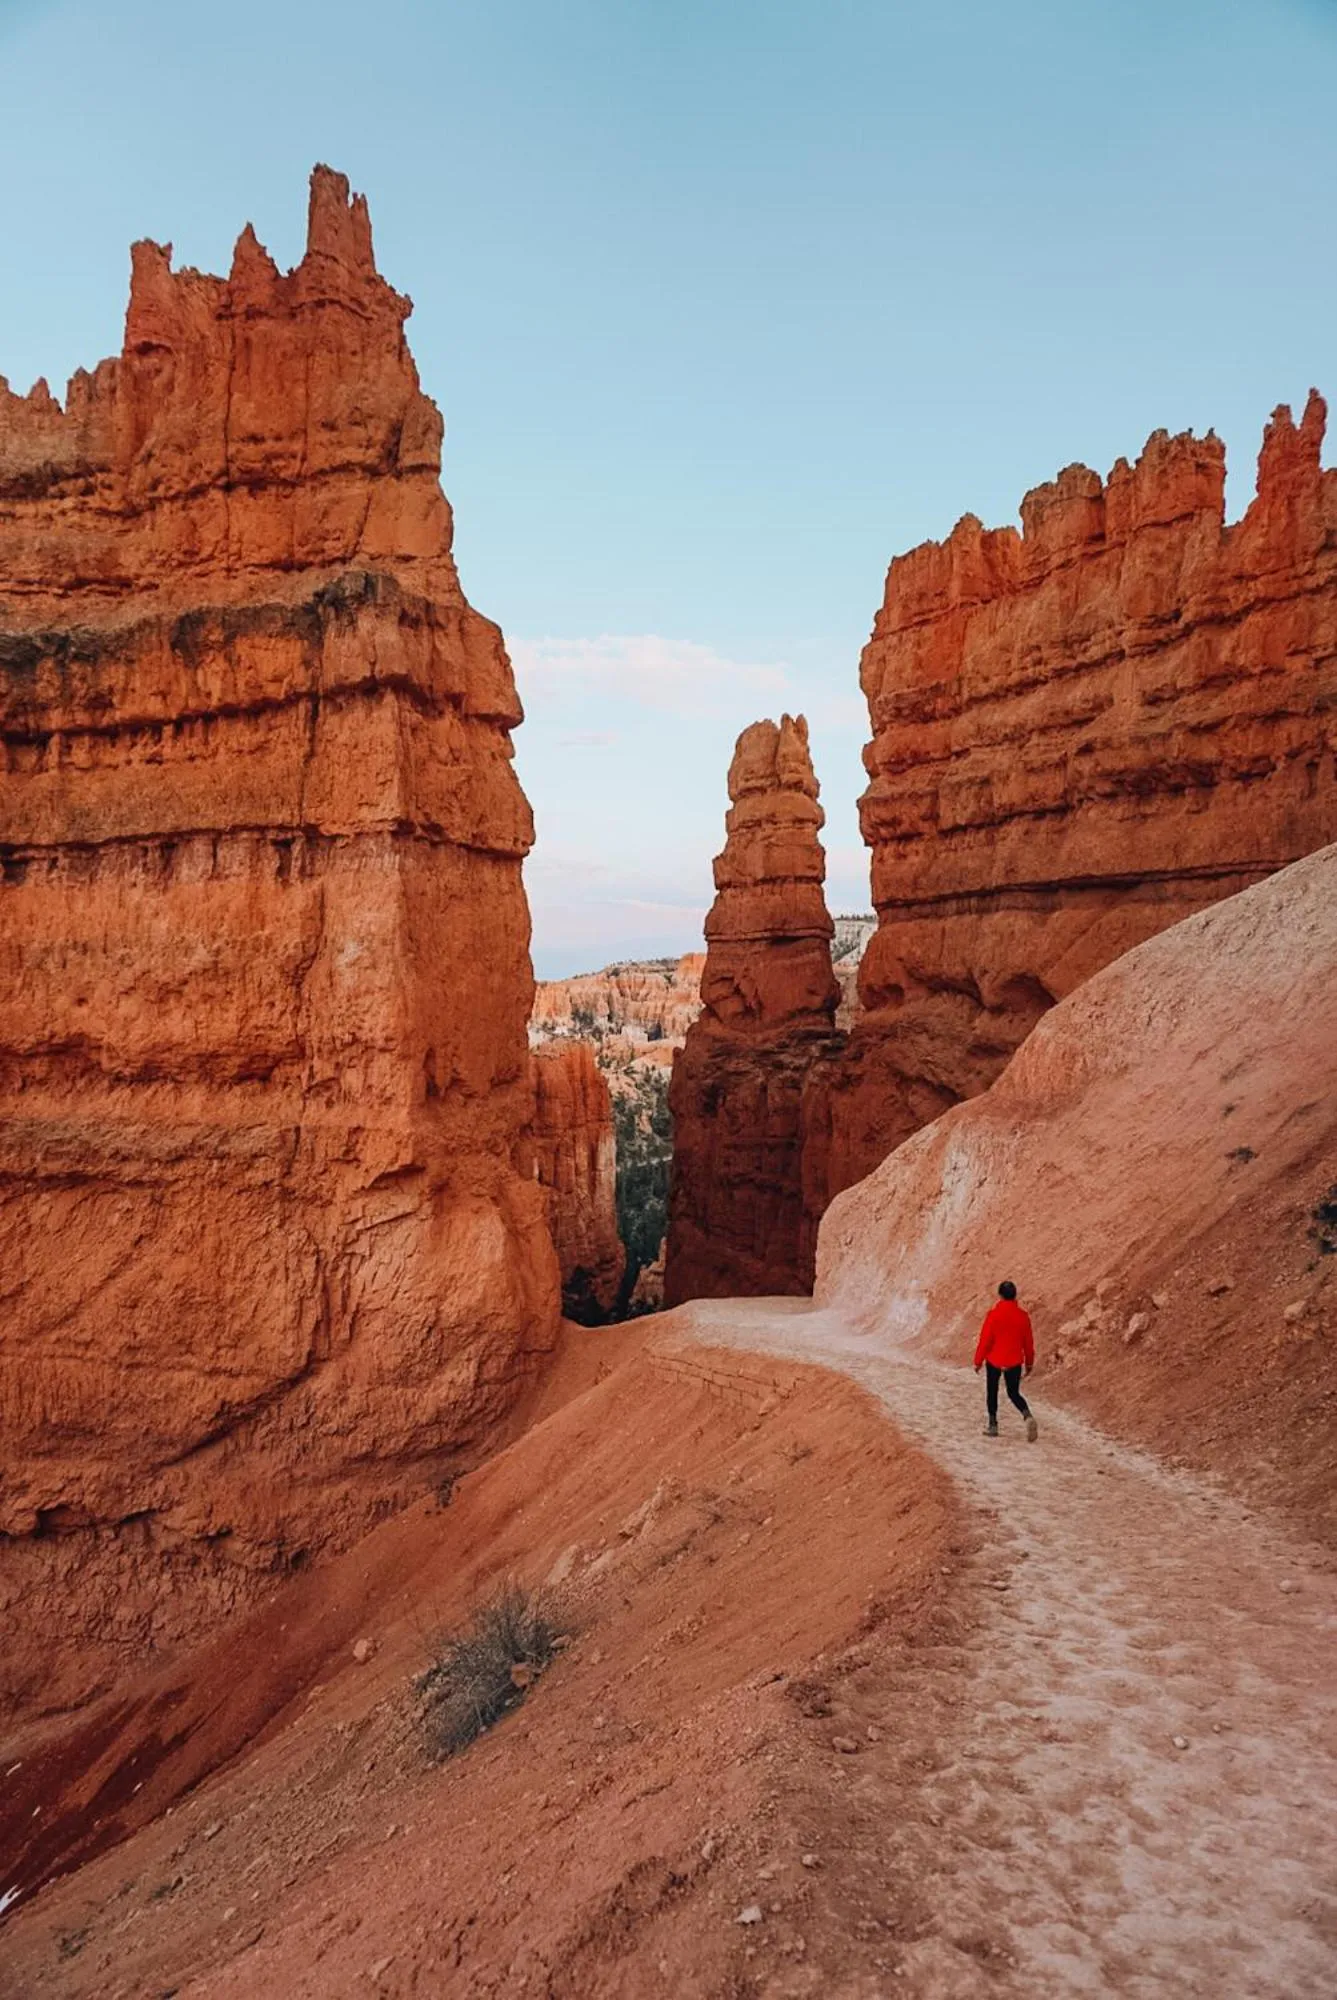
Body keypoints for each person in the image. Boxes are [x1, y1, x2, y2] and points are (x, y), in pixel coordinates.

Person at [974, 1280, 1038, 1440]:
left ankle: (993, 1424)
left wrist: (978, 1360)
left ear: (1000, 1295)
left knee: (992, 1391)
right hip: (1014, 1360)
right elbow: (1028, 1342)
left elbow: (986, 1340)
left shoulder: (993, 1315)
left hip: (994, 1359)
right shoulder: (1023, 1317)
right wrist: (1029, 1362)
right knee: (1013, 1392)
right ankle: (1027, 1415)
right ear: (1015, 1295)